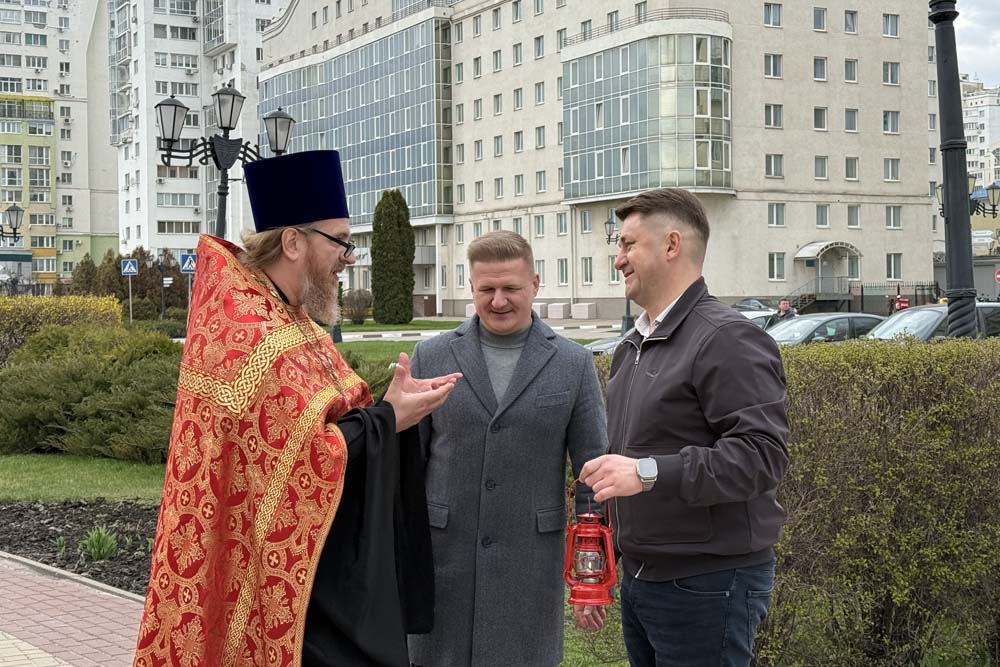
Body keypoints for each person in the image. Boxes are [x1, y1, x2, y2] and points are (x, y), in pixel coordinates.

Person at [133, 150, 461, 667]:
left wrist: (391, 411)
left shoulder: (291, 318)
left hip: (314, 580)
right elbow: (294, 462)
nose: (348, 258)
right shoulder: (247, 329)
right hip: (255, 583)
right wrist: (387, 419)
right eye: (341, 242)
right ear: (292, 242)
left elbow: (323, 427)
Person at [579, 188, 789, 667]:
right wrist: (602, 564)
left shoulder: (727, 338)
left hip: (708, 583)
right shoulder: (633, 346)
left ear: (672, 245)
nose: (618, 259)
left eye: (628, 244)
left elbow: (761, 458)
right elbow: (624, 462)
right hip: (643, 578)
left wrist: (647, 472)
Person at [406, 231, 609, 667]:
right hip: (444, 562)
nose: (498, 301)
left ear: (534, 284)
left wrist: (590, 579)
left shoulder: (573, 364)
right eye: (487, 289)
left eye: (511, 288)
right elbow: (407, 469)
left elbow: (593, 476)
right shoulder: (430, 357)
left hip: (530, 566)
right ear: (471, 287)